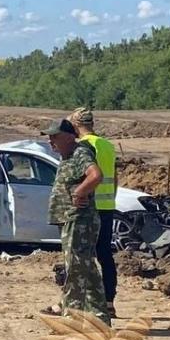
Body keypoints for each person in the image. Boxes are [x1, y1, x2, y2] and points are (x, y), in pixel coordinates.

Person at [40, 118, 109, 325]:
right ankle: (99, 319)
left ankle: (71, 320)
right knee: (87, 270)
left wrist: (80, 192)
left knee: (75, 270)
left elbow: (95, 175)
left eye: (55, 137)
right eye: (49, 137)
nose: (51, 141)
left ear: (70, 137)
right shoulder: (68, 156)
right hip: (73, 220)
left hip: (80, 220)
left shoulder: (80, 153)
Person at [70, 107, 119, 318]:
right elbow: (114, 178)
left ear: (75, 124)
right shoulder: (107, 145)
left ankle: (81, 304)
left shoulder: (84, 146)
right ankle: (109, 302)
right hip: (107, 207)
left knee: (82, 257)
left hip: (89, 208)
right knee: (105, 256)